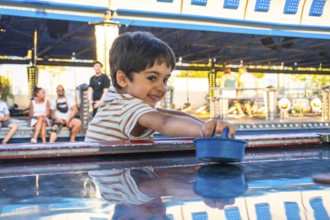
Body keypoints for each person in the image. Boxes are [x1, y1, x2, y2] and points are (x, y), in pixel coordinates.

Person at [85, 31, 235, 142]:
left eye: (165, 80)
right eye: (152, 78)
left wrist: (209, 127)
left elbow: (171, 115)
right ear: (123, 79)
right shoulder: (126, 107)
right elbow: (165, 122)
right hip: (115, 180)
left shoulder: (119, 100)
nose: (161, 88)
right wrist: (203, 130)